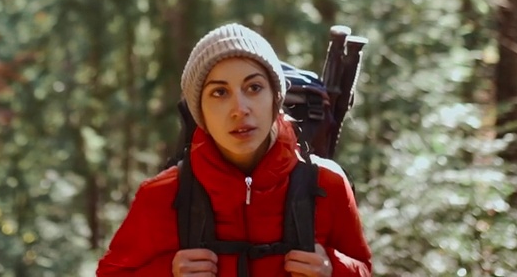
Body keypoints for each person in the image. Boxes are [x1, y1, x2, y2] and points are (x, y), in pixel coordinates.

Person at [97, 23, 373, 277]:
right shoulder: (163, 195)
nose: (240, 109)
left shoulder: (328, 184)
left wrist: (334, 269)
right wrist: (167, 272)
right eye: (219, 92)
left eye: (254, 87)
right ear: (199, 111)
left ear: (276, 98)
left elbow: (364, 269)